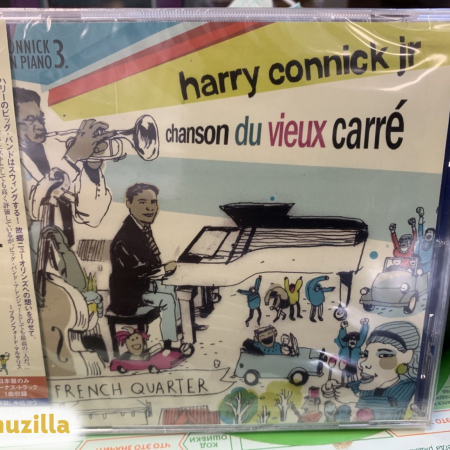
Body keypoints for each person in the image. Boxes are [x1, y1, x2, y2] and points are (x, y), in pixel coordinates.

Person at [13, 87, 112, 247]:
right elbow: (34, 211)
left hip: (68, 253)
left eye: (40, 119)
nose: (40, 126)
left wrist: (92, 168)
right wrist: (73, 157)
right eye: (30, 121)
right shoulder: (8, 163)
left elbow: (92, 216)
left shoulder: (60, 149)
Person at [109, 183, 180, 350]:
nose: (150, 208)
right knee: (168, 300)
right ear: (128, 203)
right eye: (142, 202)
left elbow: (149, 263)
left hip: (140, 286)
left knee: (171, 288)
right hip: (128, 296)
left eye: (153, 202)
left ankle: (176, 330)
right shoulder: (125, 237)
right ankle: (169, 345)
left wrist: (164, 269)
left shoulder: (141, 227)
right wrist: (164, 269)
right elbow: (136, 271)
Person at [333, 321, 419, 421]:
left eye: (383, 355)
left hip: (391, 429)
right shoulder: (367, 383)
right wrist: (333, 388)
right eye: (365, 355)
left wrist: (356, 399)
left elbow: (393, 404)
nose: (363, 363)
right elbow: (349, 387)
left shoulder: (409, 386)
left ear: (408, 357)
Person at [414, 207, 435, 274]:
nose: (429, 233)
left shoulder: (433, 243)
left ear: (434, 236)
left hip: (427, 266)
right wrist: (421, 216)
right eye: (428, 232)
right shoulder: (422, 241)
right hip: (417, 264)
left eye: (431, 233)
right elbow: (420, 230)